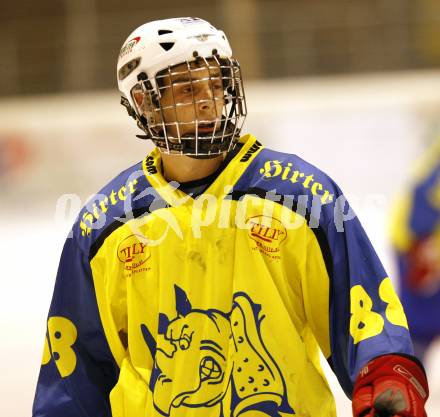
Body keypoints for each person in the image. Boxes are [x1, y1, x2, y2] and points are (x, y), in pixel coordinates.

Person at [33, 17, 429, 417]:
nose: (209, 100)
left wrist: (386, 374)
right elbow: (74, 372)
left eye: (217, 84)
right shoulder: (103, 226)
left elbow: (363, 314)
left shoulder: (301, 195)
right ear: (143, 102)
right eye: (188, 88)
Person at [391, 137, 440, 365]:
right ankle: (409, 380)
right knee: (421, 325)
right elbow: (423, 205)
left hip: (420, 246)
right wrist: (425, 254)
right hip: (420, 249)